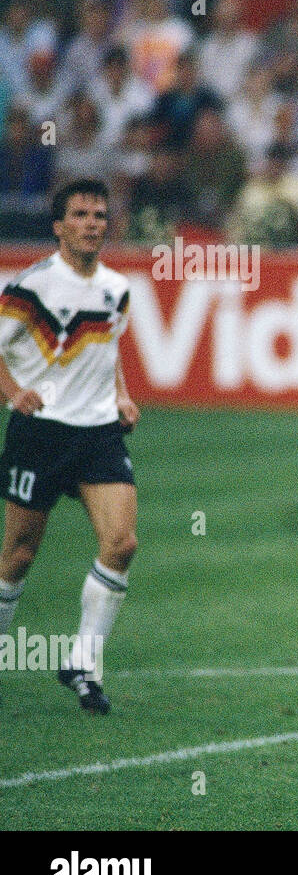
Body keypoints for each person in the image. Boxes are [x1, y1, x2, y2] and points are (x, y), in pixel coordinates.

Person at [0, 178, 138, 714]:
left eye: (99, 214)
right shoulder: (31, 288)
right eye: (80, 214)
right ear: (58, 225)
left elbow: (109, 352)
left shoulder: (115, 287)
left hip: (98, 433)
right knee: (18, 555)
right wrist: (14, 395)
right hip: (41, 434)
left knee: (121, 543)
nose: (91, 223)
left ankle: (83, 662)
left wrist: (123, 397)